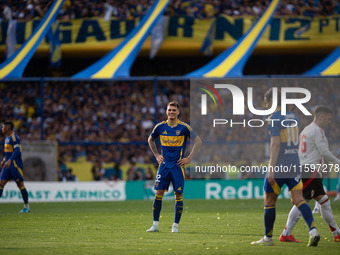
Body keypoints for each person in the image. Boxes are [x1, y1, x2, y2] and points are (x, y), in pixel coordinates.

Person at [251, 88, 319, 247]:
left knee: (269, 200)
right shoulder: (294, 117)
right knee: (298, 199)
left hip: (280, 164)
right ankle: (313, 230)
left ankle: (268, 238)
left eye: (267, 102)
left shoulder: (273, 118)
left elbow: (275, 144)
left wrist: (271, 168)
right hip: (294, 164)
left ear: (271, 101)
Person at [280, 106, 340, 242]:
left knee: (324, 202)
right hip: (310, 171)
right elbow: (323, 151)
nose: (330, 122)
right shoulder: (317, 130)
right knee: (302, 202)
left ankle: (337, 233)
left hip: (308, 169)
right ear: (322, 117)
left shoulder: (306, 130)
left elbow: (310, 151)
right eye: (329, 119)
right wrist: (338, 162)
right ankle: (286, 234)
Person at [146, 101, 202, 233]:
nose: (171, 112)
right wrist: (156, 154)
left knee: (178, 194)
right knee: (158, 193)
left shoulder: (184, 128)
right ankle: (155, 225)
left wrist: (189, 158)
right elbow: (150, 139)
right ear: (166, 111)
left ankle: (175, 226)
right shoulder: (160, 127)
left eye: (174, 110)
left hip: (178, 166)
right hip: (164, 166)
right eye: (169, 110)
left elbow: (198, 141)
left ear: (178, 112)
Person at [0, 121, 30, 213]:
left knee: (20, 185)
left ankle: (26, 207)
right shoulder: (7, 138)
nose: (2, 129)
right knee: (1, 184)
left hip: (15, 166)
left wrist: (9, 160)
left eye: (3, 127)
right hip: (7, 165)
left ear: (8, 128)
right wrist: (5, 159)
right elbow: (9, 152)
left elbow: (18, 151)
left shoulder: (14, 137)